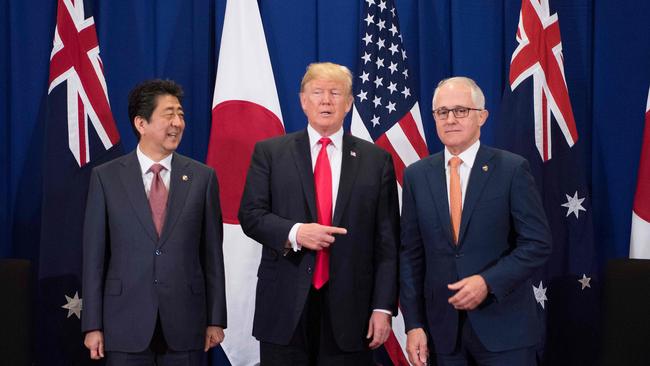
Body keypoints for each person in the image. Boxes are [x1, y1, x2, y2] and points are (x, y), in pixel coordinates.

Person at [238, 62, 400, 365]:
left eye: (336, 93)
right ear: (303, 100)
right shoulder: (270, 152)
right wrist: (296, 232)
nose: (326, 100)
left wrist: (383, 307)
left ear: (349, 103)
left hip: (353, 310)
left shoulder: (376, 160)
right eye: (317, 92)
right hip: (284, 306)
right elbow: (251, 215)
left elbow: (387, 242)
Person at [400, 77, 552, 366]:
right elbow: (411, 255)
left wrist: (488, 282)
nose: (451, 119)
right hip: (442, 334)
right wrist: (413, 324)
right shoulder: (417, 175)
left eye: (461, 110)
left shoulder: (511, 169)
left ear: (482, 116)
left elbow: (537, 243)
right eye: (442, 112)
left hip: (505, 331)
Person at [81, 79, 227, 365]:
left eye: (181, 114)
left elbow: (212, 255)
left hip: (186, 321)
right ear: (141, 123)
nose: (178, 122)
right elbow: (95, 257)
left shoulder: (202, 177)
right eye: (168, 114)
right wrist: (92, 324)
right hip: (124, 321)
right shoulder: (106, 177)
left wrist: (215, 319)